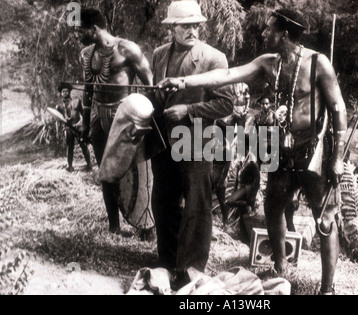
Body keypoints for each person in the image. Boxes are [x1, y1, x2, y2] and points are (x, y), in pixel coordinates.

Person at [158, 8, 348, 295]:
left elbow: (338, 109)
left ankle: (327, 288)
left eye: (269, 29)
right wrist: (183, 82)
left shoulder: (317, 63)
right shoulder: (268, 63)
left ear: (284, 33)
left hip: (312, 148)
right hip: (279, 145)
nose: (263, 33)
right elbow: (227, 75)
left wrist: (337, 159)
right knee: (272, 207)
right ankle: (280, 269)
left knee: (324, 218)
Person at [149, 1, 234, 289]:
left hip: (198, 140)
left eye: (196, 25)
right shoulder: (159, 55)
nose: (192, 30)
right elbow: (155, 96)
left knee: (196, 206)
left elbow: (225, 104)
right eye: (185, 25)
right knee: (162, 201)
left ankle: (191, 270)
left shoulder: (214, 58)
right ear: (172, 28)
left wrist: (189, 110)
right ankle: (168, 261)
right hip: (164, 141)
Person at [74, 8, 153, 234]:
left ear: (94, 29)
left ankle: (145, 226)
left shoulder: (127, 49)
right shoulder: (87, 54)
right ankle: (114, 227)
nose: (77, 36)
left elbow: (150, 84)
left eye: (80, 31)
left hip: (126, 116)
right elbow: (88, 90)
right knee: (105, 172)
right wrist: (86, 122)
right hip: (100, 115)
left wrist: (145, 119)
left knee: (136, 170)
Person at [56, 83, 92, 172]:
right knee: (69, 147)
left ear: (69, 92)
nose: (65, 93)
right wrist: (59, 130)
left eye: (66, 91)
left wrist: (84, 125)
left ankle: (89, 164)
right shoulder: (59, 106)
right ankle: (70, 166)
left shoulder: (77, 101)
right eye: (63, 92)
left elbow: (84, 114)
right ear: (61, 93)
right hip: (68, 128)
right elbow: (58, 119)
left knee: (83, 145)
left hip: (78, 127)